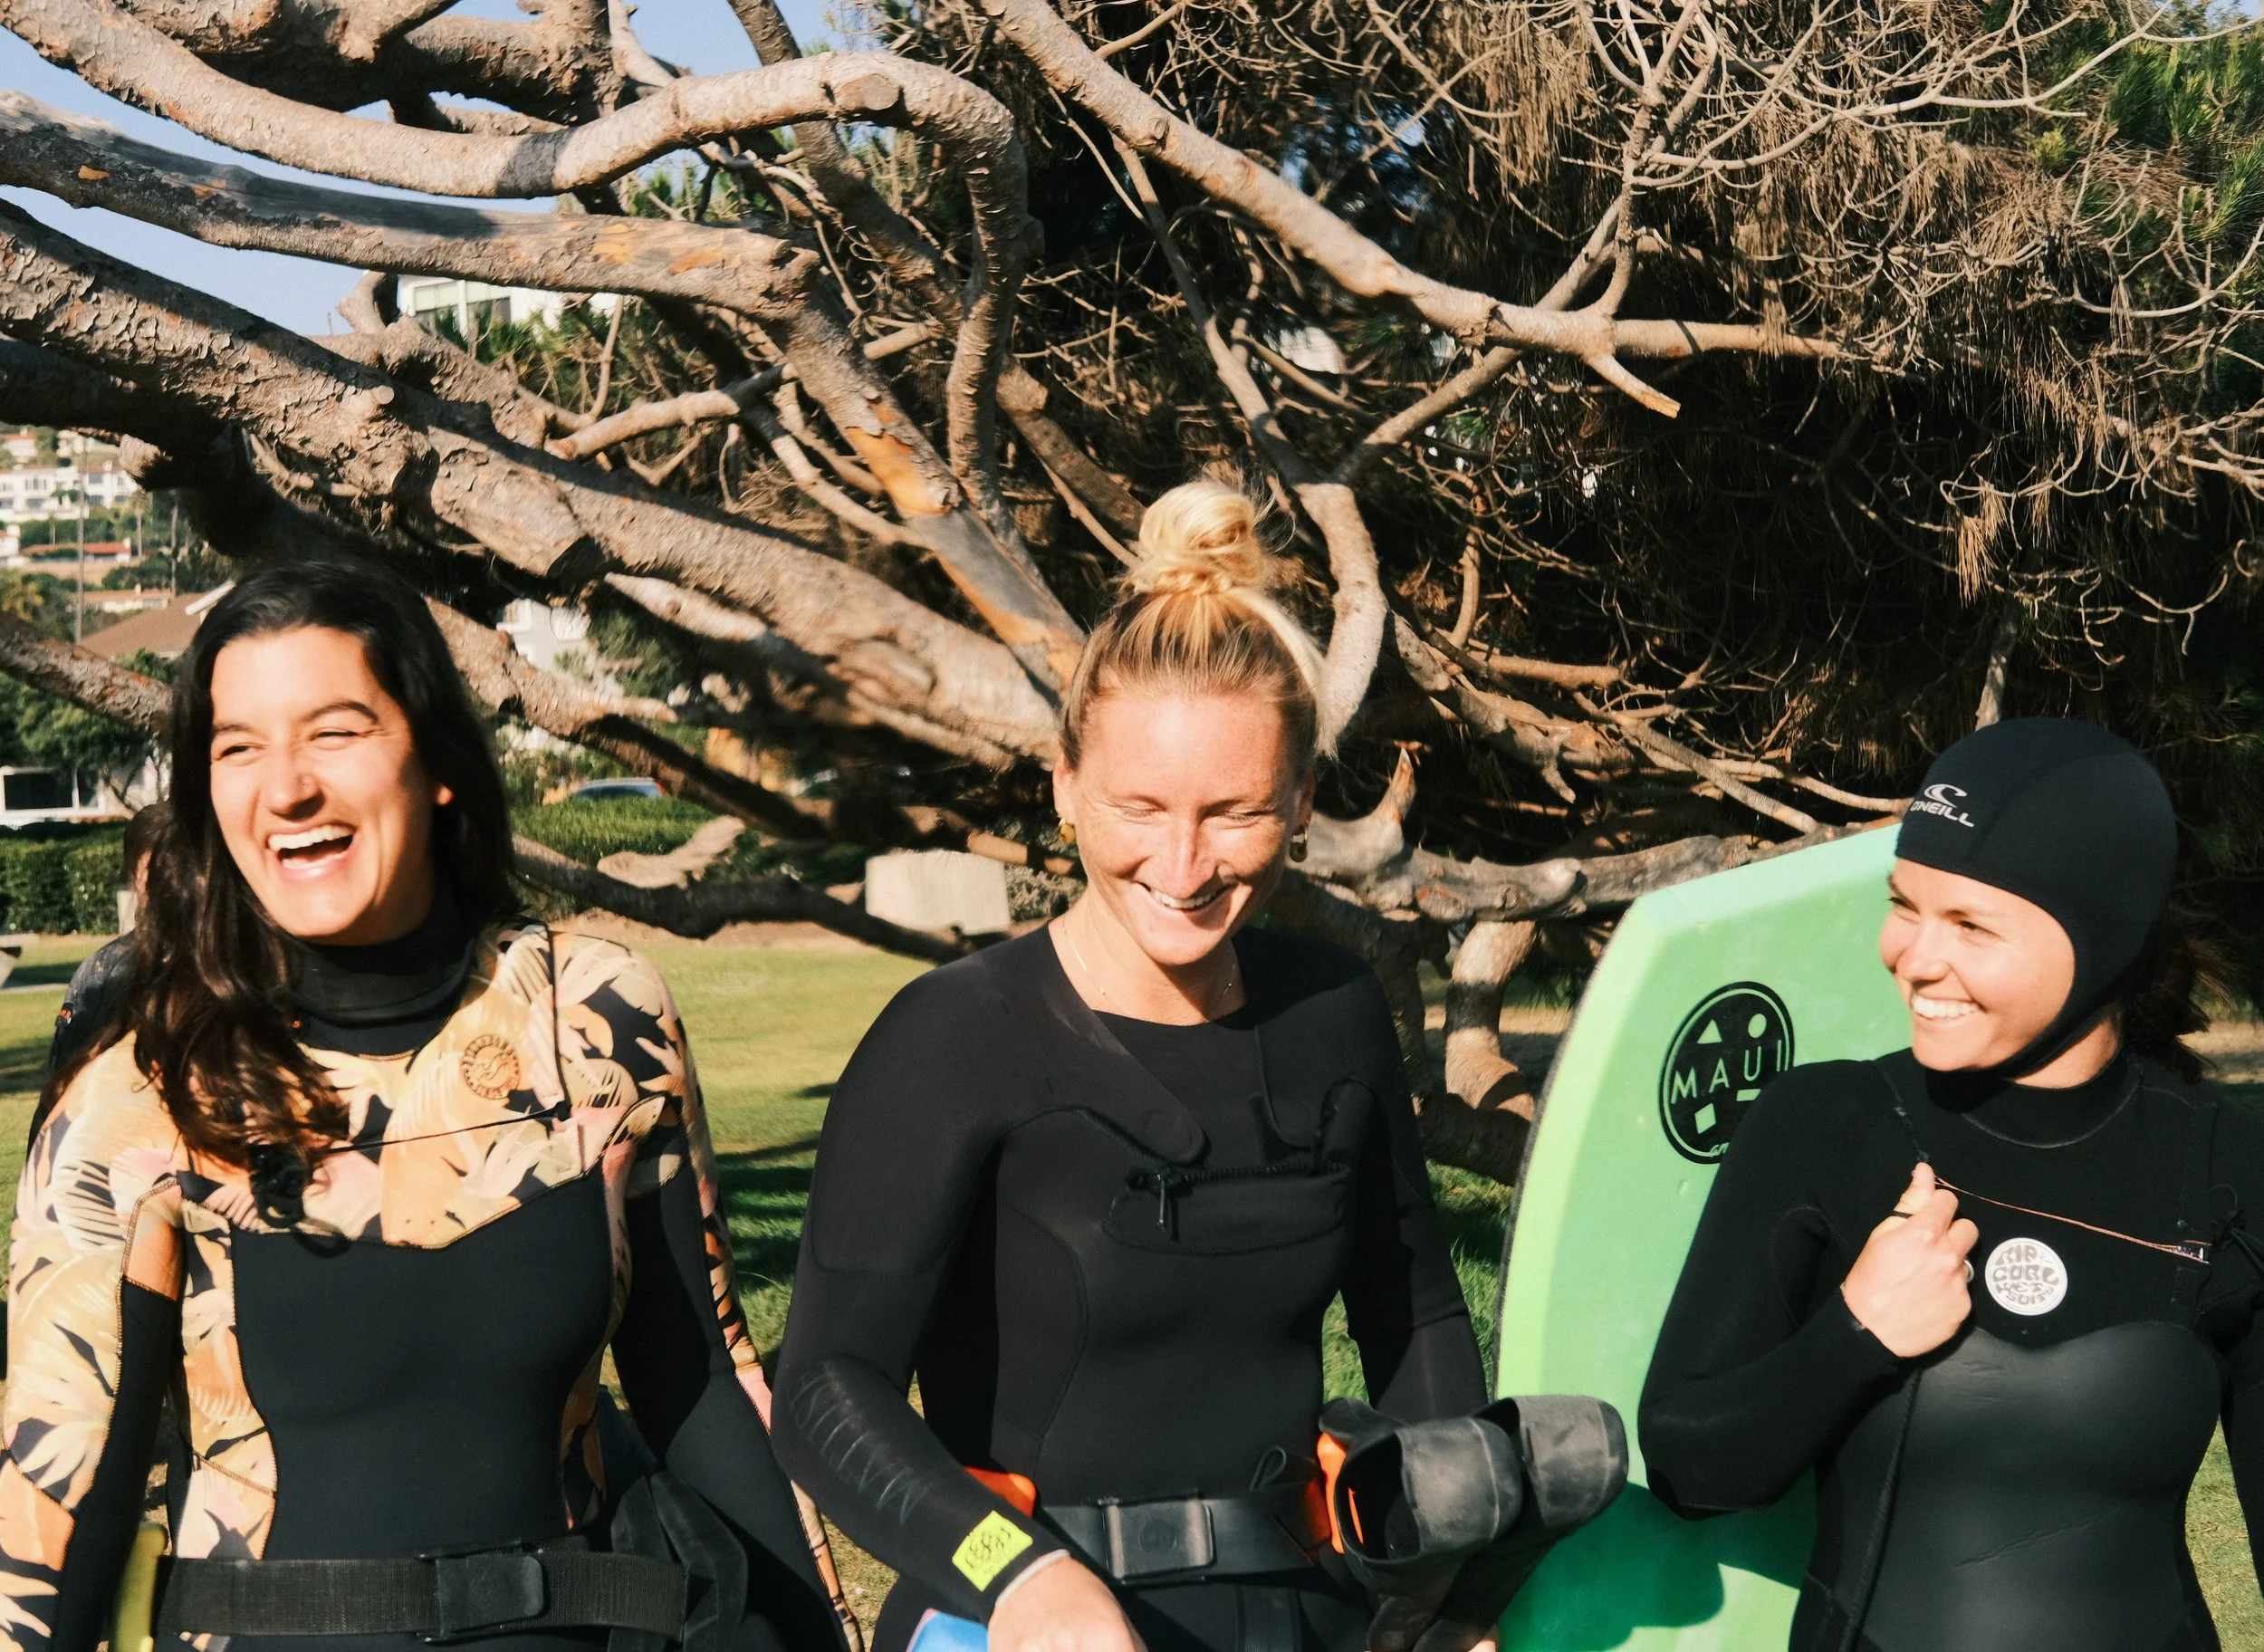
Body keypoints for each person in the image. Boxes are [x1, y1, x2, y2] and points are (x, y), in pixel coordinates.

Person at [0, 561, 845, 1652]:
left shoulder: (590, 1018)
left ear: (438, 761)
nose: (287, 787)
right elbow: (60, 1505)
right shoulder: (143, 1088)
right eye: (238, 747)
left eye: (336, 732)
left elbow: (701, 1388)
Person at [769, 481, 1492, 1652]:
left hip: (1301, 1613)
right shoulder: (954, 1037)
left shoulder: (1336, 1017)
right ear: (1065, 787)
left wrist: (1443, 1584)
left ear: (1304, 802)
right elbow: (825, 1392)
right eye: (1139, 807)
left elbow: (1417, 1328)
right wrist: (1019, 1578)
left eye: (1235, 811)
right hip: (1016, 1620)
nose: (1185, 863)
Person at [1639, 718, 2264, 1652]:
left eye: (1971, 924)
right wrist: (1857, 1333)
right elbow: (1691, 1467)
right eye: (1905, 906)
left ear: (2102, 937)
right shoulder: (1824, 1123)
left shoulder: (2222, 1164)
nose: (1913, 957)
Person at [38, 799, 166, 1124]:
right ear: (134, 874)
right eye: (158, 869)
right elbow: (60, 1083)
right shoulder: (108, 968)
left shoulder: (237, 959)